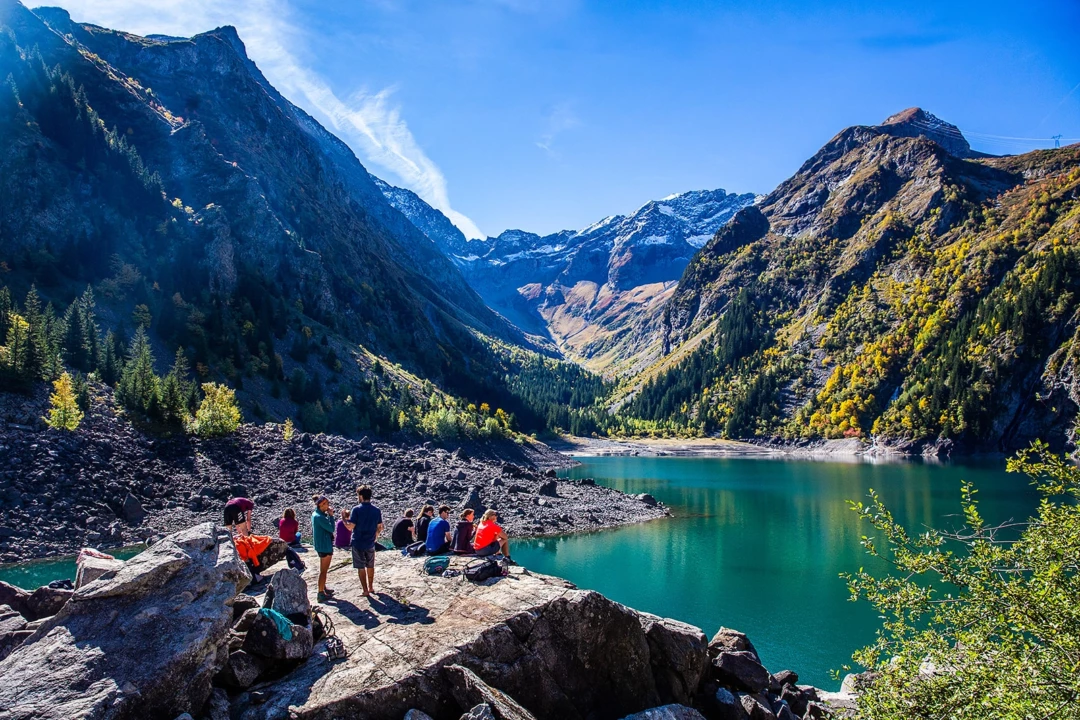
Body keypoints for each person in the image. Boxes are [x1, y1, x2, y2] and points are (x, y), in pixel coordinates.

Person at [346, 485, 383, 598]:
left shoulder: (356, 509)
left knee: (360, 567)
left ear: (360, 496)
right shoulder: (376, 510)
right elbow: (380, 527)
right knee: (370, 565)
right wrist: (375, 536)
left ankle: (365, 590)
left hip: (358, 541)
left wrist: (343, 519)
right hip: (370, 542)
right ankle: (371, 587)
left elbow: (350, 527)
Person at [310, 496, 336, 603]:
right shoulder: (320, 517)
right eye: (326, 504)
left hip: (321, 544)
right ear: (321, 505)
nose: (328, 506)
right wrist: (331, 516)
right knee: (324, 571)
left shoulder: (316, 514)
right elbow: (331, 528)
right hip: (325, 546)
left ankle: (323, 588)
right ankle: (320, 593)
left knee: (323, 570)